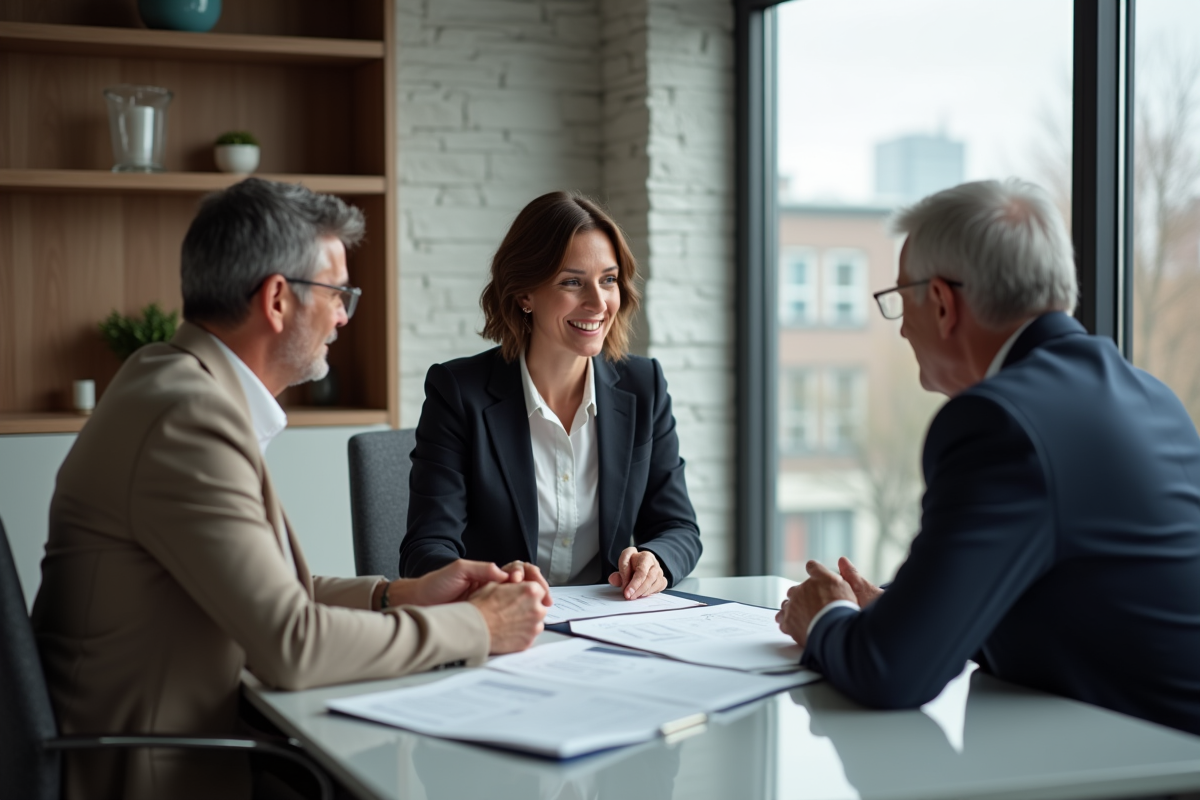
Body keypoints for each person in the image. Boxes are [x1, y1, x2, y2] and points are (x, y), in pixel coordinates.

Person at [31, 178, 548, 800]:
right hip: (156, 772)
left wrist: (402, 594)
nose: (343, 315)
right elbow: (292, 647)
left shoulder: (172, 382)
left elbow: (271, 594)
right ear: (277, 299)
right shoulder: (187, 419)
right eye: (337, 293)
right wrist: (478, 627)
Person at [776, 178, 1200, 735]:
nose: (902, 327)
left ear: (945, 304)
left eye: (902, 299)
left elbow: (892, 673)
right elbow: (1076, 597)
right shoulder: (1151, 395)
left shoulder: (1001, 421)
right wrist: (906, 612)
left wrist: (824, 618)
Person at [400, 191, 702, 599]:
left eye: (608, 280)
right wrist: (492, 582)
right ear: (525, 293)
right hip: (501, 621)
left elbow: (678, 528)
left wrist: (655, 560)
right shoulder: (458, 392)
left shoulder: (643, 384)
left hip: (610, 623)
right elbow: (425, 550)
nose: (598, 303)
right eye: (572, 282)